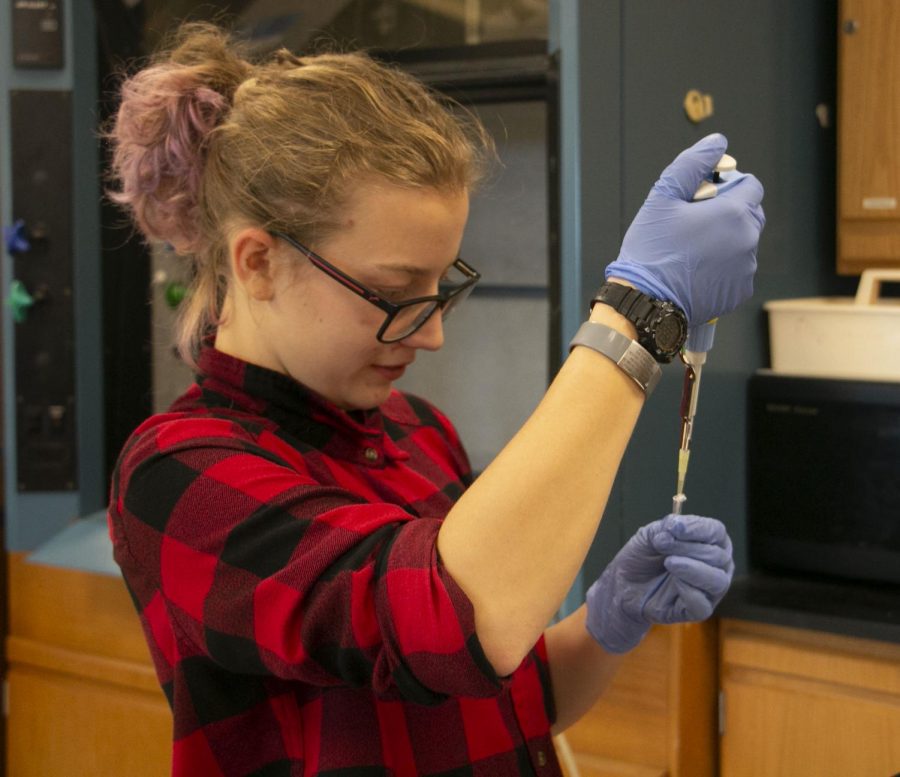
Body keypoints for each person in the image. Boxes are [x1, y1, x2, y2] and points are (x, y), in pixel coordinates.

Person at [105, 22, 764, 777]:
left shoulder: (417, 431)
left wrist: (606, 622)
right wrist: (634, 317)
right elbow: (450, 617)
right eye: (391, 292)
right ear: (257, 262)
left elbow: (502, 692)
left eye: (440, 286)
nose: (431, 337)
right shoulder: (178, 471)